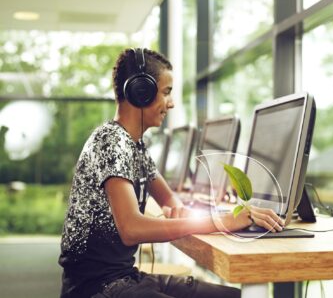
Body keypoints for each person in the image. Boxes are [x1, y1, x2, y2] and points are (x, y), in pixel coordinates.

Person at [58, 48, 284, 298]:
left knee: (234, 296)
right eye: (166, 92)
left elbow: (170, 200)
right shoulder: (110, 141)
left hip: (124, 277)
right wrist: (222, 222)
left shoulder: (135, 146)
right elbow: (132, 228)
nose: (171, 103)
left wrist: (181, 210)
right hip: (95, 288)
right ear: (140, 92)